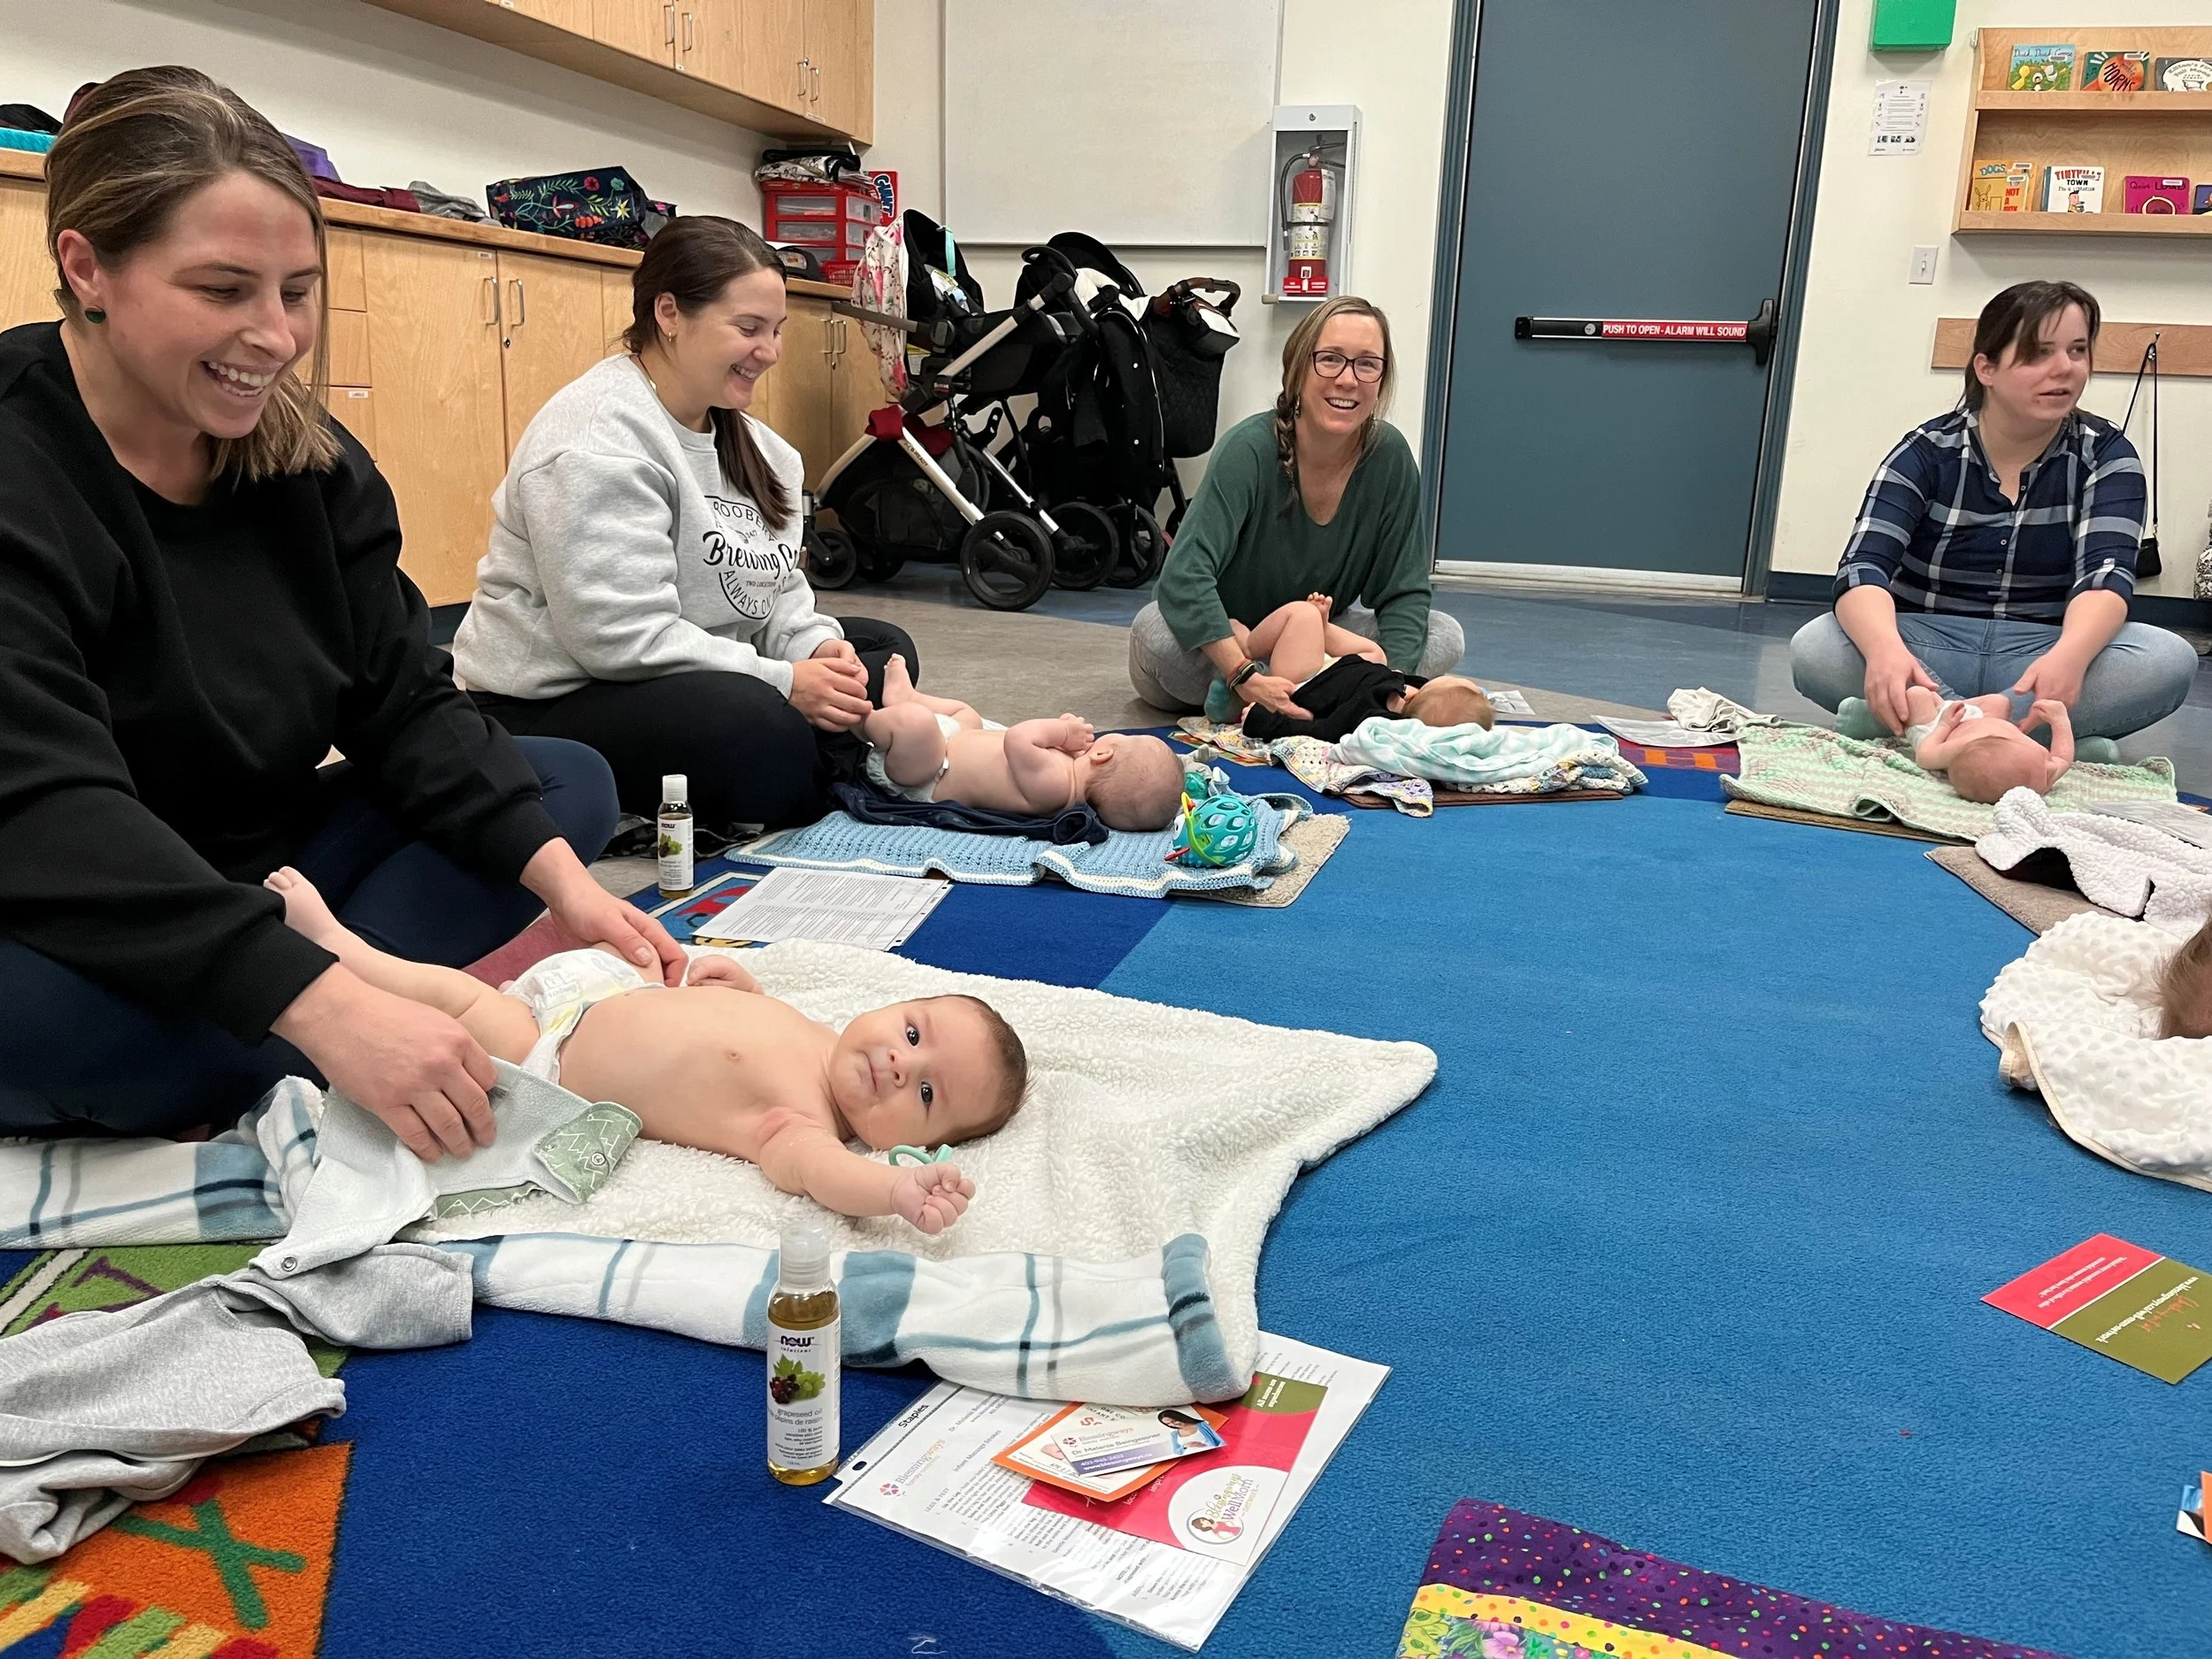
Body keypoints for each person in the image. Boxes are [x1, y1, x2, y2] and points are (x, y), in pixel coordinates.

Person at [0, 67, 678, 1157]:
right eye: (224, 290)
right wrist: (322, 1004)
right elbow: (42, 807)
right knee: (75, 1026)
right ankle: (310, 1011)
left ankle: (289, 1009)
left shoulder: (307, 464)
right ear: (88, 269)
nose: (274, 337)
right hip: (56, 882)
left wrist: (572, 896)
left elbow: (404, 701)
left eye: (298, 292)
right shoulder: (22, 461)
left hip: (257, 866)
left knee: (562, 793)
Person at [457, 216, 916, 831]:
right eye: (748, 328)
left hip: (695, 671)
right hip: (556, 697)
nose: (770, 351)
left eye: (776, 329)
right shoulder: (597, 442)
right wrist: (785, 682)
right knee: (758, 727)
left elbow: (777, 590)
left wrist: (816, 649)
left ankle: (822, 757)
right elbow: (621, 640)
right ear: (669, 313)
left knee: (883, 652)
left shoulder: (762, 449)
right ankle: (835, 757)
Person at [264, 868, 1025, 1235]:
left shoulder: (802, 1126)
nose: (900, 1064)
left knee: (460, 1003)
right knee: (593, 952)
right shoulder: (818, 1035)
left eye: (927, 1094)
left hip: (553, 1054)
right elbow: (748, 1029)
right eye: (913, 1032)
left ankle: (339, 951)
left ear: (915, 1143)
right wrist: (745, 990)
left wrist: (894, 1191)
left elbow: (829, 1178)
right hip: (609, 990)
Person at [1791, 280, 2197, 749]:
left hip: (2042, 652)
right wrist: (1884, 651)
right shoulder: (1926, 452)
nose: (2065, 368)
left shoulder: (2107, 456)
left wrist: (2071, 654)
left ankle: (1926, 727)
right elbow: (1863, 567)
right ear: (1986, 367)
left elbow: (2104, 577)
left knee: (2167, 659)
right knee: (1816, 647)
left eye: (2078, 350)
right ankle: (2027, 738)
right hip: (1926, 643)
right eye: (2039, 353)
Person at [1129, 295, 1464, 721]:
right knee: (1155, 632)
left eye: (1367, 364)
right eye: (1330, 359)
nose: (1348, 379)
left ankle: (1298, 695)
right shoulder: (1248, 450)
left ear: (1381, 379)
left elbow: (1405, 591)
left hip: (1316, 641)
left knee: (1445, 634)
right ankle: (1286, 693)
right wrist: (1241, 671)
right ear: (1298, 369)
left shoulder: (1390, 457)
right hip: (1234, 642)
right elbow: (1183, 578)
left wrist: (1387, 683)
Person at [860, 657, 1186, 830]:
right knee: (967, 715)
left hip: (926, 774)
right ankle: (906, 698)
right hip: (951, 742)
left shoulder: (1057, 788)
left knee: (917, 723)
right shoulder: (1066, 771)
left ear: (1102, 754)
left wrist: (1062, 732)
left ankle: (863, 721)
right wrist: (1065, 741)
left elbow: (1018, 739)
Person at [1233, 594, 1494, 741]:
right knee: (1377, 655)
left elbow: (1327, 731)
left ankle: (1247, 646)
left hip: (1306, 681)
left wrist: (1279, 719)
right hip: (1343, 669)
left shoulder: (1370, 717)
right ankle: (1322, 629)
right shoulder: (1411, 693)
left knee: (1302, 613)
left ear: (1414, 697)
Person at [1897, 688, 2074, 803]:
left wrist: (1944, 724)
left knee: (1917, 694)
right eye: (2045, 757)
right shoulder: (2039, 775)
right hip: (1979, 719)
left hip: (1938, 732)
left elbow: (1924, 755)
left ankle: (1941, 706)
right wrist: (2060, 721)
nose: (2053, 767)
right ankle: (1946, 704)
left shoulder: (1964, 747)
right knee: (2000, 702)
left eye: (2047, 777)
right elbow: (2063, 758)